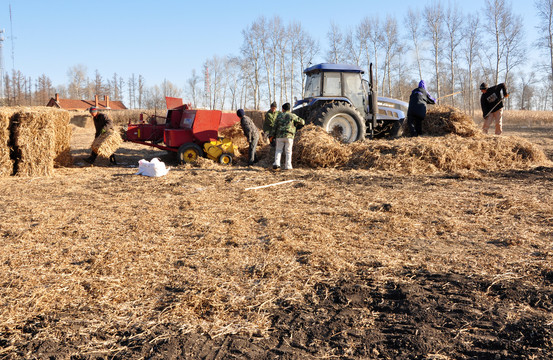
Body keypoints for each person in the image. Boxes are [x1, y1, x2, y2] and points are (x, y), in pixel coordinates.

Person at [270, 103, 305, 171]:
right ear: (289, 109)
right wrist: (296, 123)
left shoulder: (279, 116)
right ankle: (288, 166)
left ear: (283, 109)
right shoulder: (292, 115)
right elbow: (302, 122)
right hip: (289, 136)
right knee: (288, 151)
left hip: (279, 136)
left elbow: (274, 127)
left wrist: (272, 135)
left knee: (278, 150)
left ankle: (277, 164)